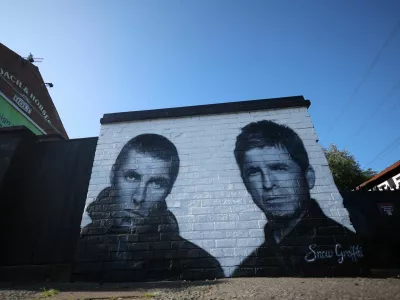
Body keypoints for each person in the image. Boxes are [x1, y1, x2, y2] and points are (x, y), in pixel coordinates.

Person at [75, 134, 224, 282]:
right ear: (113, 175)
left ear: (169, 190)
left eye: (156, 184)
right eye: (132, 177)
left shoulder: (198, 265)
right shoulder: (74, 251)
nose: (139, 197)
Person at [232, 120, 364, 277]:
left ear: (308, 177)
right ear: (246, 185)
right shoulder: (247, 269)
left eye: (279, 168)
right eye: (253, 172)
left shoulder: (351, 248)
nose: (267, 184)